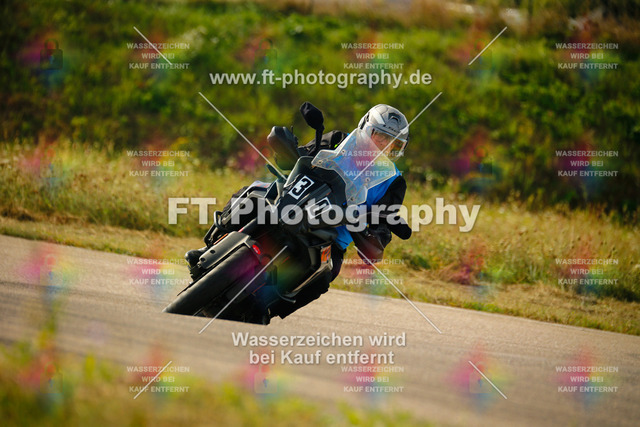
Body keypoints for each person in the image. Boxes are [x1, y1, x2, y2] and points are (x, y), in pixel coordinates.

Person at [186, 104, 412, 319]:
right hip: (293, 198)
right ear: (365, 128)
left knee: (325, 274)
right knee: (254, 191)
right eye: (380, 136)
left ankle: (267, 308)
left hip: (331, 233)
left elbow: (384, 219)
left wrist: (376, 236)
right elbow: (299, 158)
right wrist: (286, 148)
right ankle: (212, 243)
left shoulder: (393, 181)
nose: (384, 145)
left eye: (394, 143)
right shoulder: (338, 140)